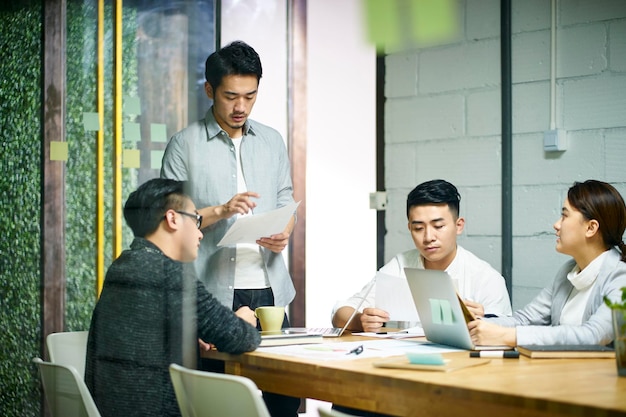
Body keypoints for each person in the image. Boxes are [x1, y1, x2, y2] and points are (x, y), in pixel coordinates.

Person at [160, 41, 300, 416]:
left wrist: (284, 229)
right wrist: (221, 210)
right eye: (230, 96)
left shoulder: (271, 141)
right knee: (223, 405)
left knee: (281, 401)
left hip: (269, 291)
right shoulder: (183, 145)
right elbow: (166, 226)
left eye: (250, 96)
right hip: (213, 296)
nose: (241, 107)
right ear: (209, 90)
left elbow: (287, 200)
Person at [85, 178, 261, 417]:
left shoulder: (123, 264)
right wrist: (244, 318)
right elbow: (240, 338)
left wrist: (185, 334)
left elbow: (140, 334)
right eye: (196, 220)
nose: (199, 233)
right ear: (172, 218)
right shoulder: (170, 273)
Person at [332, 179, 512, 334]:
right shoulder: (401, 265)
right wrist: (360, 320)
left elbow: (506, 335)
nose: (428, 237)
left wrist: (484, 323)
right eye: (418, 228)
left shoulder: (486, 278)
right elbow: (340, 314)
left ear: (459, 226)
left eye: (438, 226)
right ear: (409, 228)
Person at [469, 179, 626, 347]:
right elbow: (525, 320)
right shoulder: (568, 271)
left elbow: (593, 336)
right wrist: (476, 323)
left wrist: (509, 336)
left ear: (591, 228)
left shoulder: (620, 277)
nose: (556, 225)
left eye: (565, 216)